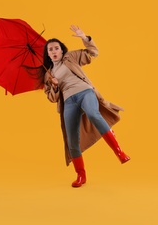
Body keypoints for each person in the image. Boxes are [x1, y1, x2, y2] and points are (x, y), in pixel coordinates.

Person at [42, 25, 130, 188]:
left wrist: (84, 38)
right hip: (69, 101)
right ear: (47, 53)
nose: (54, 51)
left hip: (84, 92)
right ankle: (80, 175)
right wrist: (54, 86)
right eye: (50, 49)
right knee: (72, 139)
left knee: (93, 113)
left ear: (61, 50)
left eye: (56, 48)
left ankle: (119, 152)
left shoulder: (70, 57)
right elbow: (52, 98)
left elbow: (93, 53)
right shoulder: (48, 74)